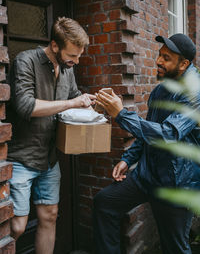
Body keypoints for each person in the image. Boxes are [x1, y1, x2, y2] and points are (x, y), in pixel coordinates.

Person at [93, 33, 200, 254]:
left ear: (184, 64)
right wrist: (128, 159)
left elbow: (167, 134)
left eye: (166, 58)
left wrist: (121, 114)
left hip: (176, 185)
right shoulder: (161, 89)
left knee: (175, 248)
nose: (159, 61)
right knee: (105, 203)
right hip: (147, 176)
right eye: (160, 55)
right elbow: (149, 131)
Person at [7, 17, 96, 254]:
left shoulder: (67, 69)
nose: (76, 62)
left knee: (50, 217)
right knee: (16, 226)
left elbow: (74, 96)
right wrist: (71, 102)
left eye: (79, 56)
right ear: (55, 46)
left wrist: (90, 104)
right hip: (21, 159)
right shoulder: (26, 61)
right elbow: (25, 106)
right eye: (72, 56)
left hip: (50, 159)